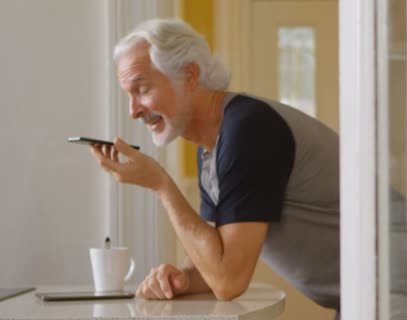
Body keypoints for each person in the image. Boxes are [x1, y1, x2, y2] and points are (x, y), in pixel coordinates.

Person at [89, 18, 342, 316]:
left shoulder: (249, 130)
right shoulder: (214, 145)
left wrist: (161, 184)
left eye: (142, 89)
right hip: (363, 296)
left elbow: (228, 281)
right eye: (128, 96)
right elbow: (213, 261)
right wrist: (179, 279)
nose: (133, 111)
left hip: (398, 289)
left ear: (190, 75)